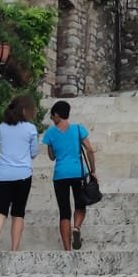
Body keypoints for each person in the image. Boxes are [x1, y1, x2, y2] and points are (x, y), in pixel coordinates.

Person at [41, 100, 96, 252]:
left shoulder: (50, 133)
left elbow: (52, 156)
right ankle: (77, 227)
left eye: (52, 117)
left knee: (64, 211)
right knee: (80, 204)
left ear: (57, 115)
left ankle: (67, 249)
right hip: (78, 172)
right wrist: (93, 171)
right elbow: (90, 150)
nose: (52, 120)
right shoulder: (78, 129)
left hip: (60, 175)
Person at [0, 94, 38, 252]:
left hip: (1, 174)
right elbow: (34, 152)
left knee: (0, 210)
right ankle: (14, 248)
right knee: (18, 213)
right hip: (22, 175)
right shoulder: (31, 129)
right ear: (25, 110)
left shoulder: (1, 127)